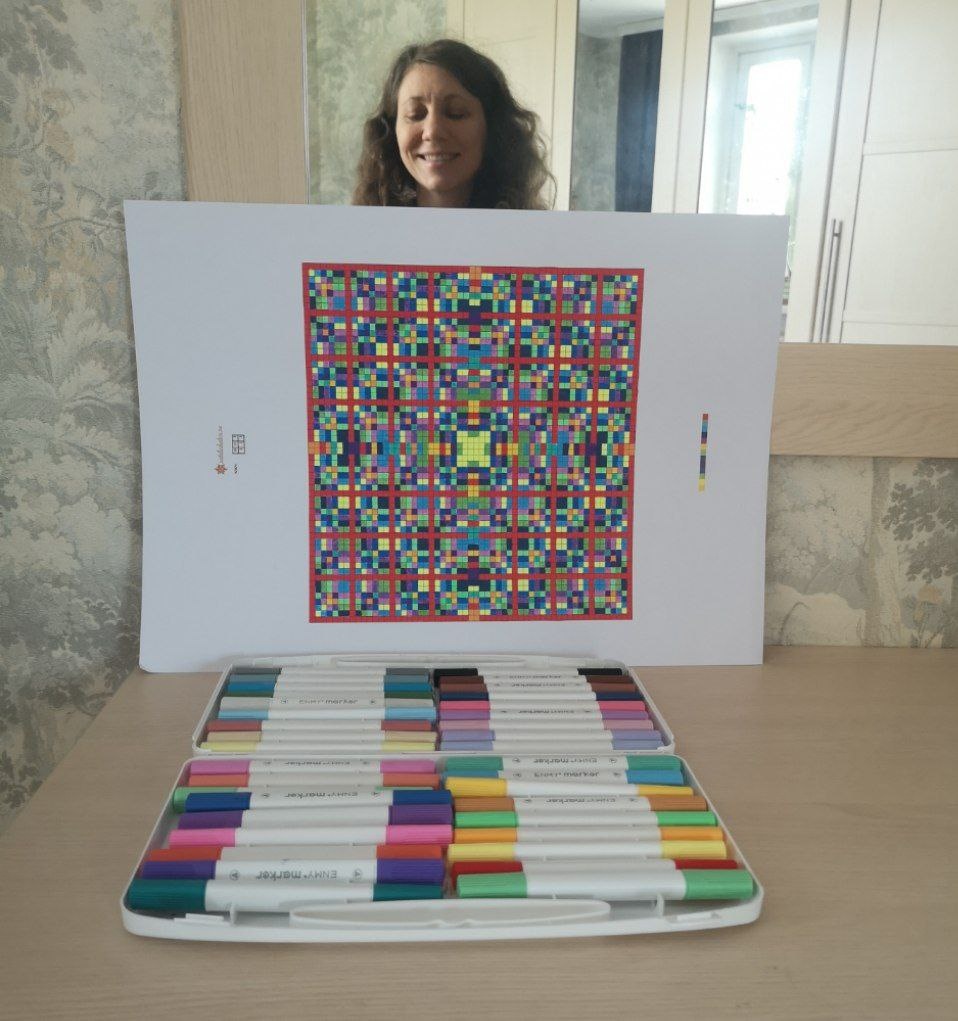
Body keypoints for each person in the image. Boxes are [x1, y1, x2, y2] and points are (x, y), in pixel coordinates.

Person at [353, 39, 553, 210]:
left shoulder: (534, 239)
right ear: (392, 131)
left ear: (492, 129)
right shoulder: (360, 236)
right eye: (416, 115)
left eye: (456, 114)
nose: (432, 131)